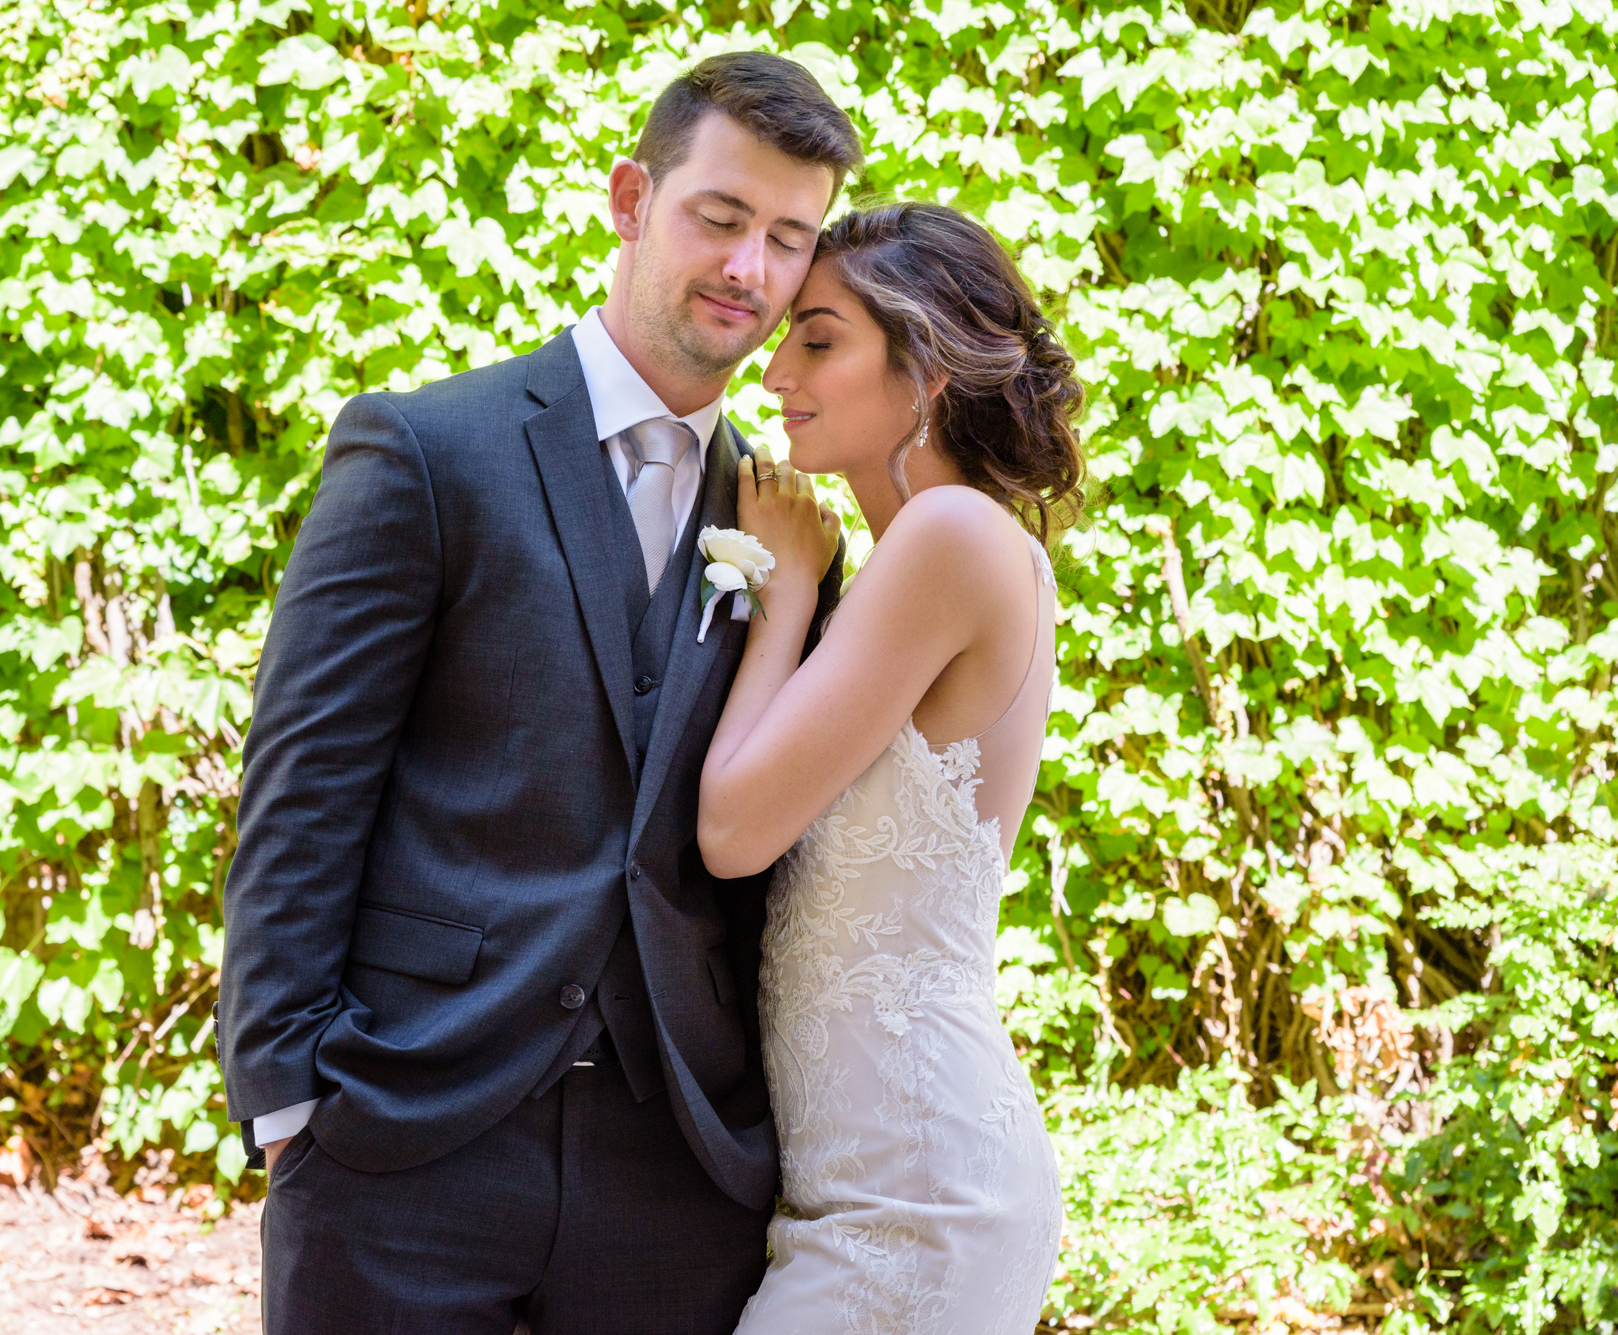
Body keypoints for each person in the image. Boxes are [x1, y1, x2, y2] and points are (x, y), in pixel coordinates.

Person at [217, 53, 858, 1335]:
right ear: (630, 199)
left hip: (672, 1173)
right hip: (403, 1147)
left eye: (788, 241)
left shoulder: (786, 532)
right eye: (719, 217)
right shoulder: (422, 451)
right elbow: (302, 794)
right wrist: (290, 1103)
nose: (749, 270)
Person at [699, 202, 1087, 1331]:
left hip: (920, 1203)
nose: (775, 374)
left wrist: (779, 594)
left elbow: (731, 829)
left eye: (818, 339)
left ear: (925, 371)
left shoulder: (947, 537)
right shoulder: (932, 552)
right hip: (862, 1192)